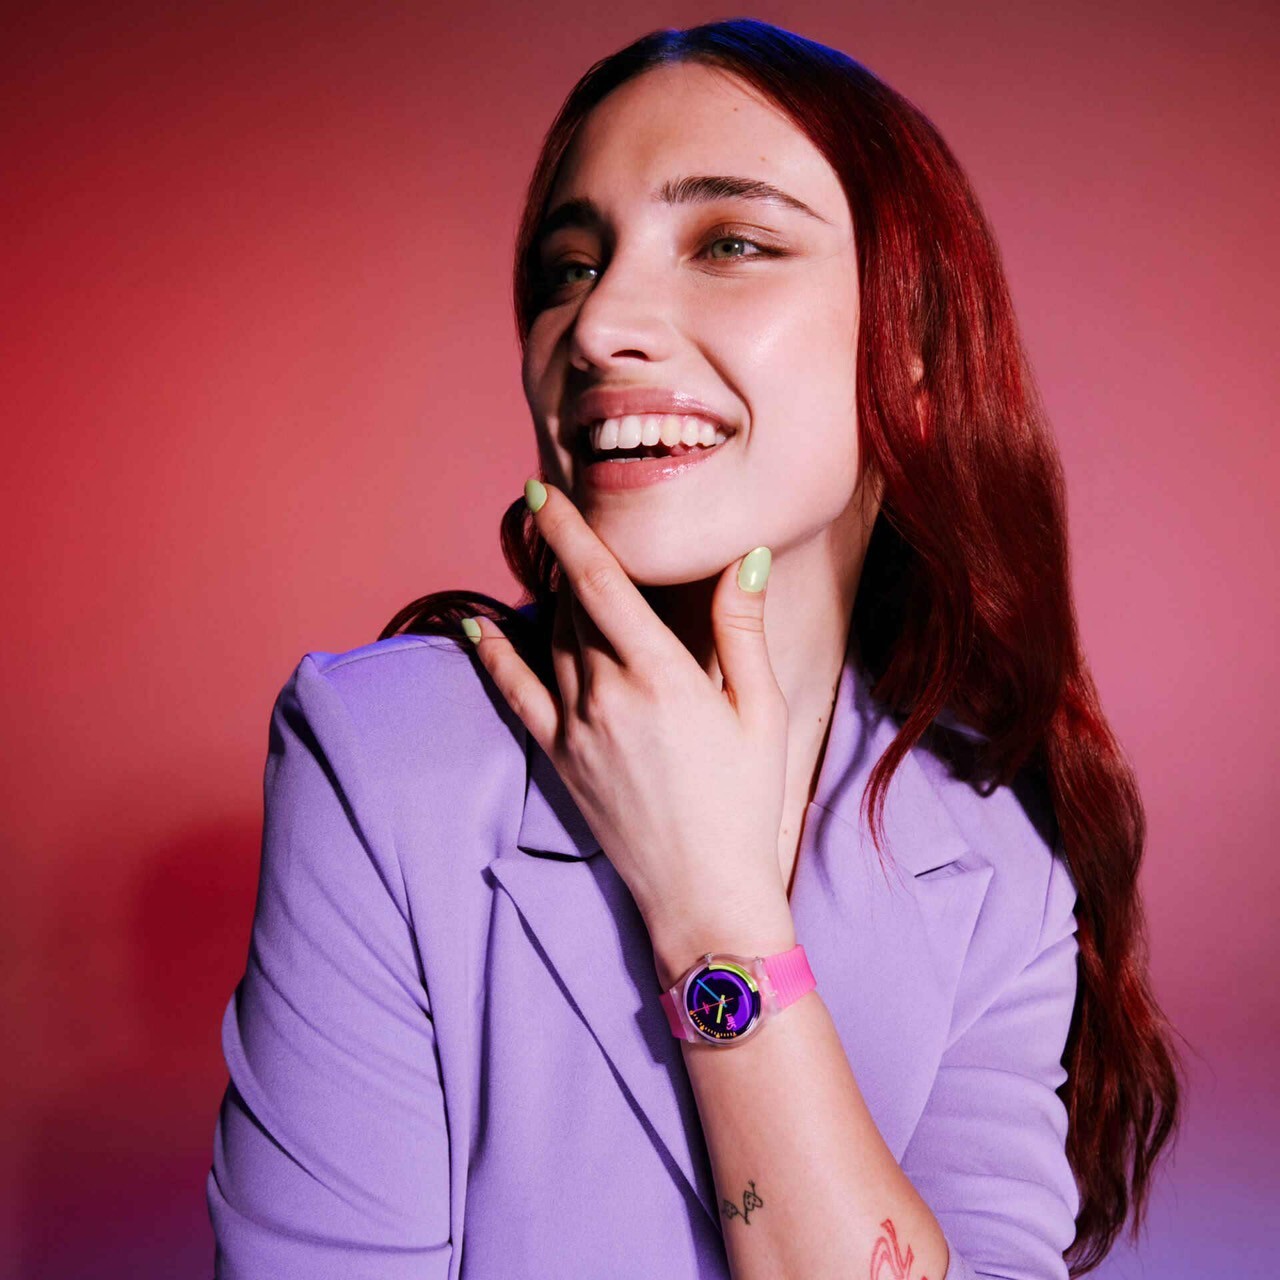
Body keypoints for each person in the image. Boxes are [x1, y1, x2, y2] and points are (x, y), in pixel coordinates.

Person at [207, 18, 1183, 1279]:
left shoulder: (992, 843)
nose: (597, 323)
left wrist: (712, 911)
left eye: (729, 243)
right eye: (569, 265)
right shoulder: (384, 756)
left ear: (915, 349)